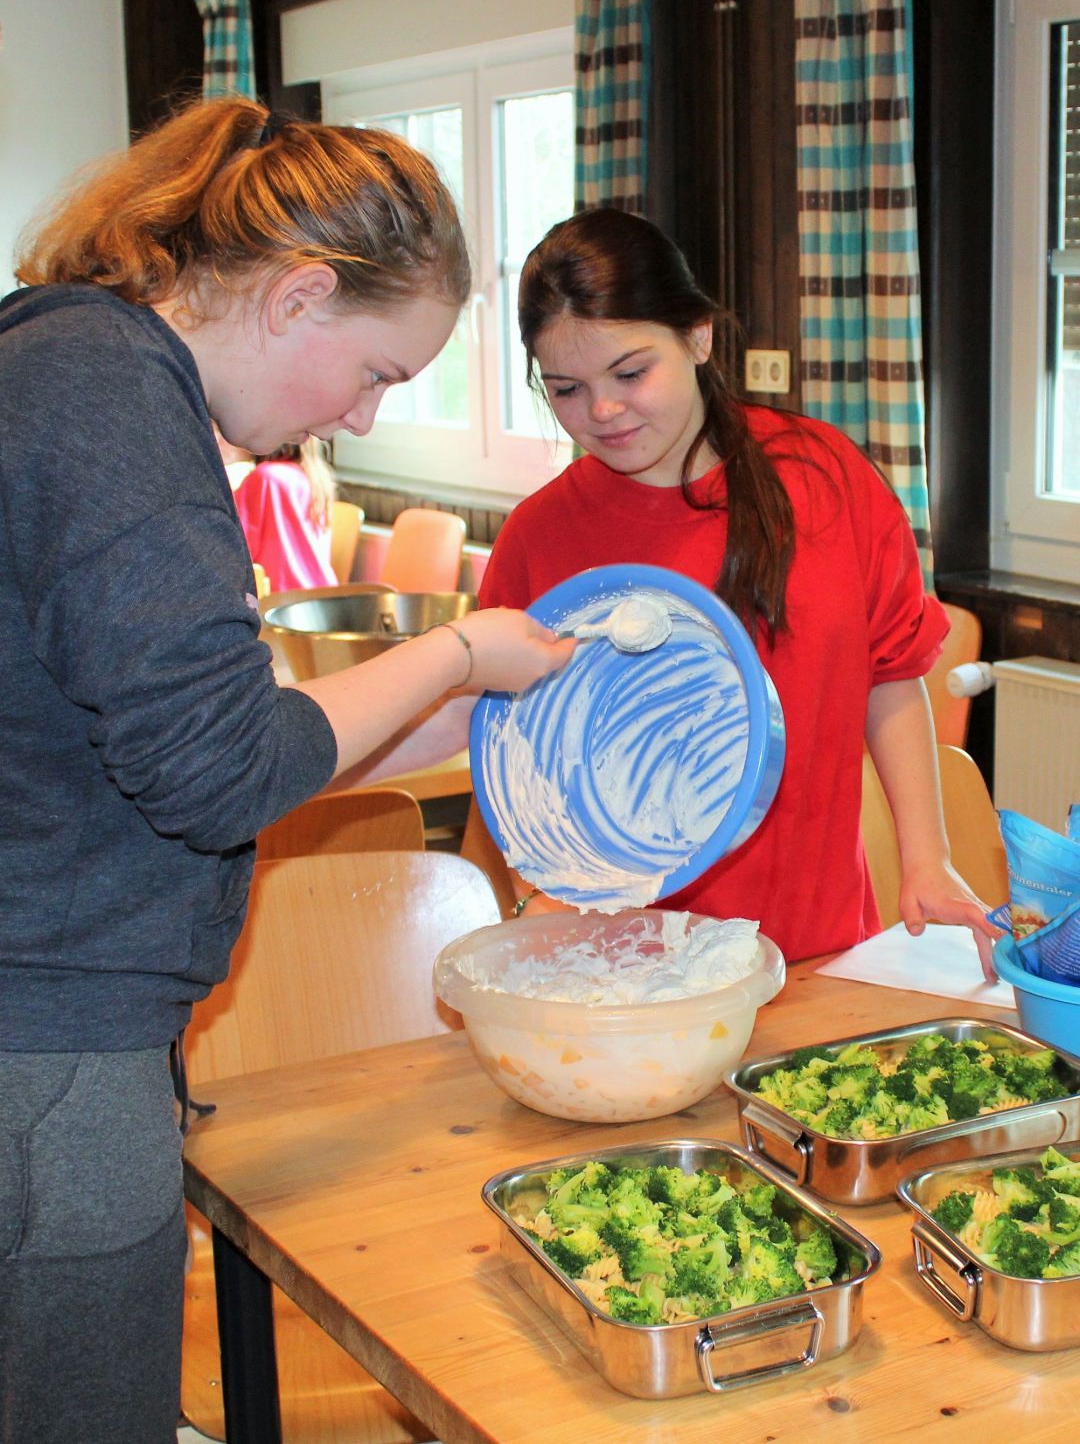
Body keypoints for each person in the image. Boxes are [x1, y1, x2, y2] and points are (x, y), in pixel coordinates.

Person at [0, 96, 573, 1444]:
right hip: (49, 1041)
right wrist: (448, 658)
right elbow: (208, 769)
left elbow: (161, 742)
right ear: (299, 293)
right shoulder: (108, 397)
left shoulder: (66, 365)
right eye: (376, 370)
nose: (362, 414)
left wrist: (426, 731)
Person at [480, 207, 999, 974]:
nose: (603, 411)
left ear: (698, 336)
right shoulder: (538, 538)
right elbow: (511, 758)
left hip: (820, 950)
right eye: (566, 389)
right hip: (627, 972)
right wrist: (543, 890)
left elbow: (889, 675)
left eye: (630, 372)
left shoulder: (823, 478)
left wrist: (926, 859)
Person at [233, 434, 338, 590]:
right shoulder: (312, 476)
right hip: (318, 598)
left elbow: (234, 549)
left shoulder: (265, 477)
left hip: (279, 602)